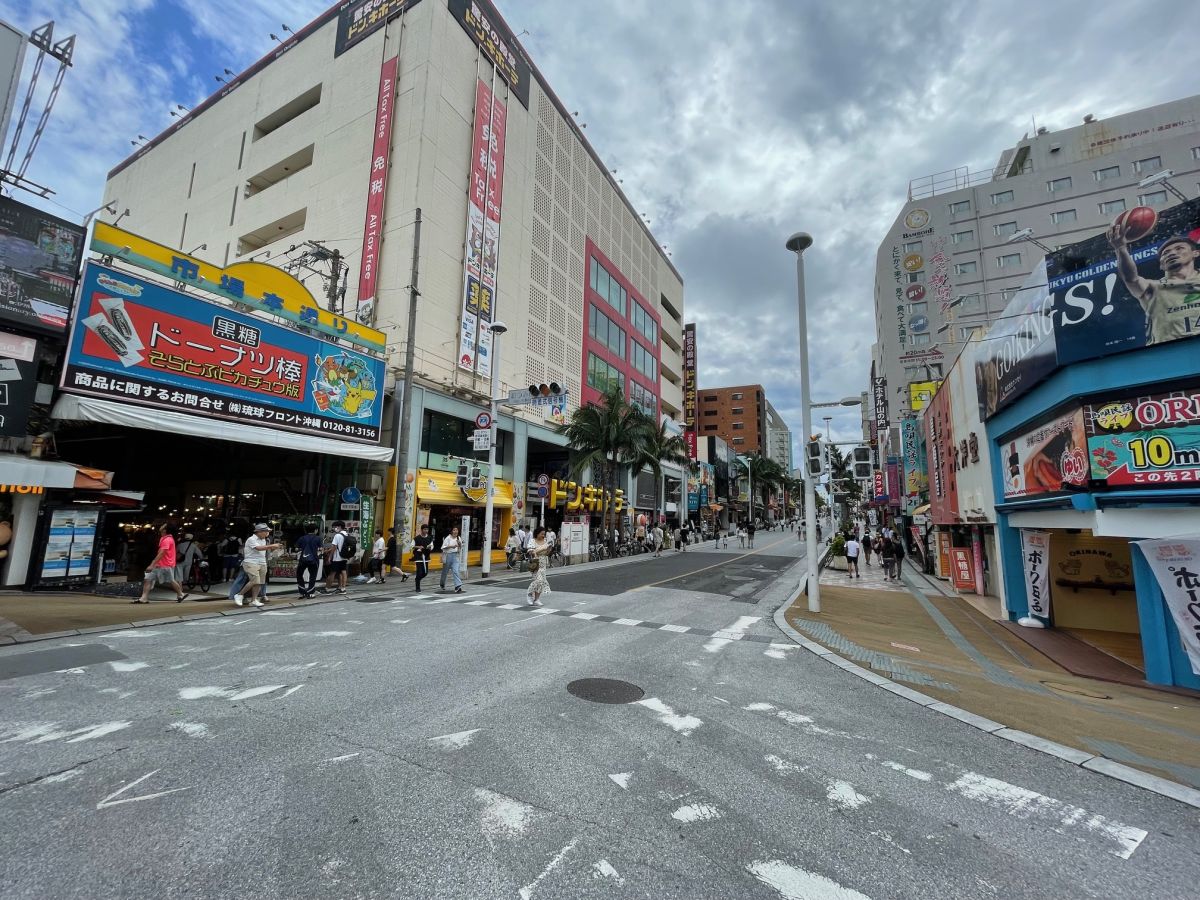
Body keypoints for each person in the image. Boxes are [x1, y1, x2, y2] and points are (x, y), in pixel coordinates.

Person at [1107, 224, 1200, 345]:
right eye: (1166, 253)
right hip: (1169, 350)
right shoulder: (1153, 287)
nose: (1172, 253)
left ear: (1196, 253)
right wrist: (1120, 248)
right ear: (1161, 265)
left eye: (1179, 248)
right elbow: (1131, 279)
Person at [134, 523, 188, 603]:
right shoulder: (166, 538)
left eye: (164, 526)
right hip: (161, 564)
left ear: (165, 530)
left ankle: (180, 594)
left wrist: (152, 564)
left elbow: (162, 553)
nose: (161, 526)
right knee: (148, 579)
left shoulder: (167, 540)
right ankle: (144, 598)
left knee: (170, 580)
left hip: (164, 564)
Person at [234, 523, 282, 607]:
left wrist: (271, 547)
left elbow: (263, 549)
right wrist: (271, 546)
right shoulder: (251, 539)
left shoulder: (263, 540)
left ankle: (254, 600)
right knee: (255, 580)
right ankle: (239, 595)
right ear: (259, 532)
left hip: (262, 562)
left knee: (259, 582)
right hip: (251, 562)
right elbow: (258, 548)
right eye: (266, 531)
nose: (268, 533)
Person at [319, 521, 350, 596]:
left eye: (334, 527)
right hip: (344, 557)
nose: (334, 528)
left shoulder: (337, 535)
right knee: (343, 572)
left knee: (332, 573)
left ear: (339, 526)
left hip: (337, 558)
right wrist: (328, 550)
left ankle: (327, 589)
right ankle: (342, 588)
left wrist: (330, 556)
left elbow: (334, 547)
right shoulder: (347, 534)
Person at [525, 526, 552, 606]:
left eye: (544, 534)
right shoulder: (532, 541)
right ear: (537, 533)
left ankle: (536, 599)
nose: (543, 536)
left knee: (541, 582)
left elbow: (547, 553)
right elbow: (530, 552)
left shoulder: (545, 541)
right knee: (538, 580)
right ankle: (529, 594)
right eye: (542, 534)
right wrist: (538, 550)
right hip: (535, 564)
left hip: (543, 563)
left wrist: (548, 550)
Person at [295, 524, 323, 598]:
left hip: (303, 560)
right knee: (313, 576)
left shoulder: (302, 538)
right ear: (315, 530)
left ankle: (302, 592)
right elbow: (320, 549)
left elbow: (297, 549)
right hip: (314, 560)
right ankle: (310, 593)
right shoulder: (318, 538)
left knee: (299, 575)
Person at [440, 525, 464, 593]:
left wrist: (459, 545)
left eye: (456, 530)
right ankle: (442, 583)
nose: (455, 531)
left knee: (456, 571)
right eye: (454, 530)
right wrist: (451, 546)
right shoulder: (448, 538)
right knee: (445, 572)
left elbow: (460, 547)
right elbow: (443, 547)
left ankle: (458, 586)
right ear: (451, 531)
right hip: (448, 556)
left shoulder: (459, 538)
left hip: (455, 556)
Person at [412, 524, 433, 592]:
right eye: (425, 529)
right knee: (419, 572)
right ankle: (417, 587)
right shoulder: (416, 538)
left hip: (426, 556)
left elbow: (432, 546)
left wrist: (430, 547)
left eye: (427, 529)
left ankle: (417, 579)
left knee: (425, 572)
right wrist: (418, 547)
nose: (426, 531)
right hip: (418, 556)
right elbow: (411, 546)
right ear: (421, 530)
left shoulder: (430, 538)